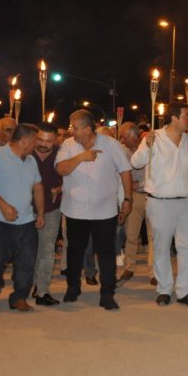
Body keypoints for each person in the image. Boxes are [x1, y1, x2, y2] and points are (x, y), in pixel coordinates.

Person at [56, 110, 132, 310]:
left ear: (87, 129)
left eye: (75, 127)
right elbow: (61, 169)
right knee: (75, 251)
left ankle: (107, 293)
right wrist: (81, 157)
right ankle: (73, 287)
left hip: (104, 210)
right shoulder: (68, 146)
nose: (72, 130)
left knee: (106, 252)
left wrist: (127, 198)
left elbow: (125, 171)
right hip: (75, 210)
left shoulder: (111, 145)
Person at [131, 103, 188, 307]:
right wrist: (146, 145)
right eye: (186, 116)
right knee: (162, 247)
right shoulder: (154, 138)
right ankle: (164, 289)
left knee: (186, 247)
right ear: (173, 118)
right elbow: (135, 163)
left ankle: (185, 290)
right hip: (160, 202)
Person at [0, 124, 44, 312]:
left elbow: (37, 187)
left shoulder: (31, 161)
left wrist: (40, 213)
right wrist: (3, 206)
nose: (37, 144)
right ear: (25, 141)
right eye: (35, 140)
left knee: (27, 260)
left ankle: (19, 297)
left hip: (26, 219)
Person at [116, 122, 154, 286]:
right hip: (135, 196)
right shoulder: (122, 152)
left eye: (124, 137)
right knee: (131, 234)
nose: (122, 140)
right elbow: (122, 176)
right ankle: (130, 267)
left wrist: (139, 184)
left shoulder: (149, 146)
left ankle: (153, 271)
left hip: (153, 196)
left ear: (134, 135)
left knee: (153, 236)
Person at [32, 122, 63, 306]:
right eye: (40, 139)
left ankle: (42, 290)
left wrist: (60, 188)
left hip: (52, 209)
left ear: (56, 140)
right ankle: (30, 285)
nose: (43, 144)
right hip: (26, 209)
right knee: (29, 252)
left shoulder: (62, 154)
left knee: (47, 250)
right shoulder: (26, 152)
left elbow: (74, 178)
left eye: (48, 141)